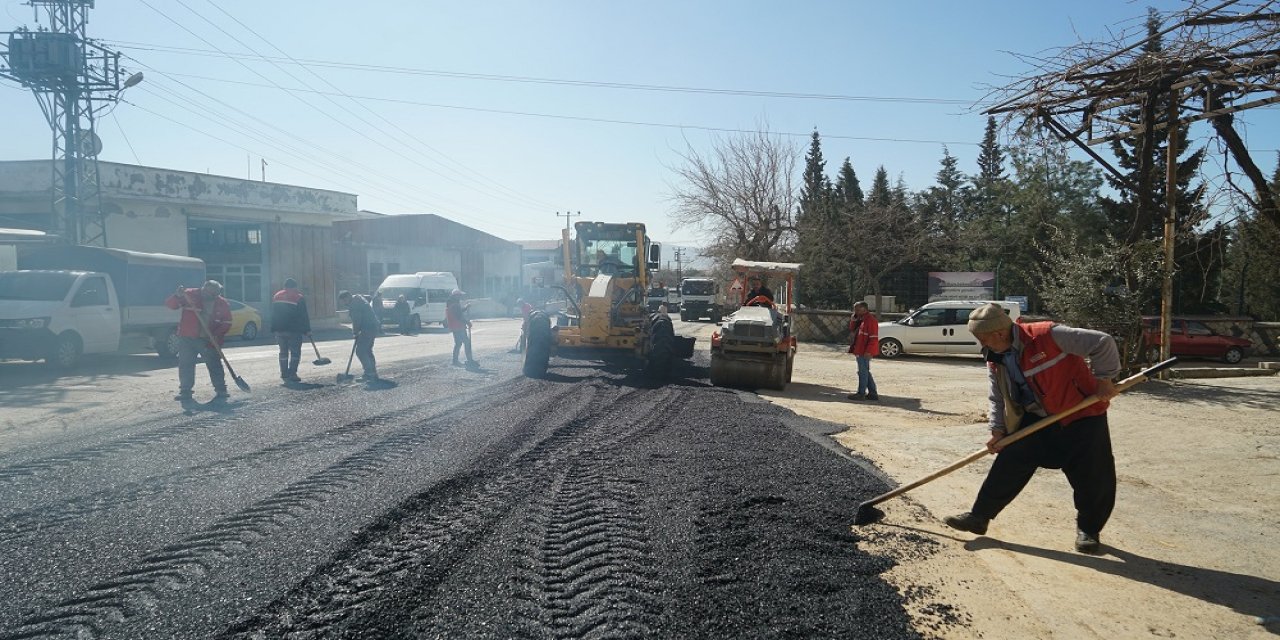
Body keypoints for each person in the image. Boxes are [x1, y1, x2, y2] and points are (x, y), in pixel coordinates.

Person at [943, 303, 1121, 555]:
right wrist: (998, 430)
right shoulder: (995, 357)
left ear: (1000, 334)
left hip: (1080, 414)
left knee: (1093, 475)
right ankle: (979, 517)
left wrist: (1104, 380)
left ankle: (1089, 530)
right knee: (1010, 460)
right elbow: (997, 397)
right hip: (1036, 418)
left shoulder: (1048, 335)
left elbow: (1102, 342)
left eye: (982, 338)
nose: (980, 344)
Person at [166, 280, 233, 404]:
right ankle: (185, 391)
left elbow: (227, 323)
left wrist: (216, 335)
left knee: (214, 364)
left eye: (214, 294)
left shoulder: (221, 303)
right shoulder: (189, 294)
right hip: (187, 337)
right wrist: (177, 296)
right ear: (204, 289)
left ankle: (221, 389)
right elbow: (171, 305)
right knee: (186, 364)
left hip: (208, 340)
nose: (211, 296)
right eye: (209, 293)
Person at [270, 277, 311, 383]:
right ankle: (292, 373)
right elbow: (303, 315)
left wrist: (273, 328)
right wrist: (307, 330)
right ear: (295, 287)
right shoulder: (298, 297)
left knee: (283, 353)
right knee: (295, 353)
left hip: (279, 330)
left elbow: (273, 314)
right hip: (293, 330)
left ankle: (284, 373)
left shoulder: (276, 296)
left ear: (285, 286)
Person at [339, 290, 379, 381]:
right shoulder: (359, 299)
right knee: (368, 350)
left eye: (344, 301)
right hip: (373, 327)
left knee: (360, 351)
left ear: (348, 297)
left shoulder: (354, 305)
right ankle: (373, 372)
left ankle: (369, 373)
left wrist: (355, 332)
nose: (344, 303)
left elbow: (357, 320)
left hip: (367, 328)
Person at [846, 301, 880, 401]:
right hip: (860, 349)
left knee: (863, 372)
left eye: (857, 309)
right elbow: (852, 329)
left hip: (864, 351)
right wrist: (853, 319)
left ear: (864, 309)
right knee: (865, 371)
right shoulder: (861, 320)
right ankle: (873, 393)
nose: (855, 311)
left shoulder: (870, 321)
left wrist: (869, 351)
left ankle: (861, 393)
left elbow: (873, 338)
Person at [447, 289, 477, 367]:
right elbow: (459, 316)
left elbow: (459, 312)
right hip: (459, 326)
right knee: (466, 342)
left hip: (454, 326)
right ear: (456, 296)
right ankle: (469, 360)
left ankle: (455, 361)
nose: (460, 297)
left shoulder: (451, 303)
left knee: (458, 343)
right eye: (459, 295)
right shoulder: (455, 304)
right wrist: (468, 322)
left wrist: (466, 307)